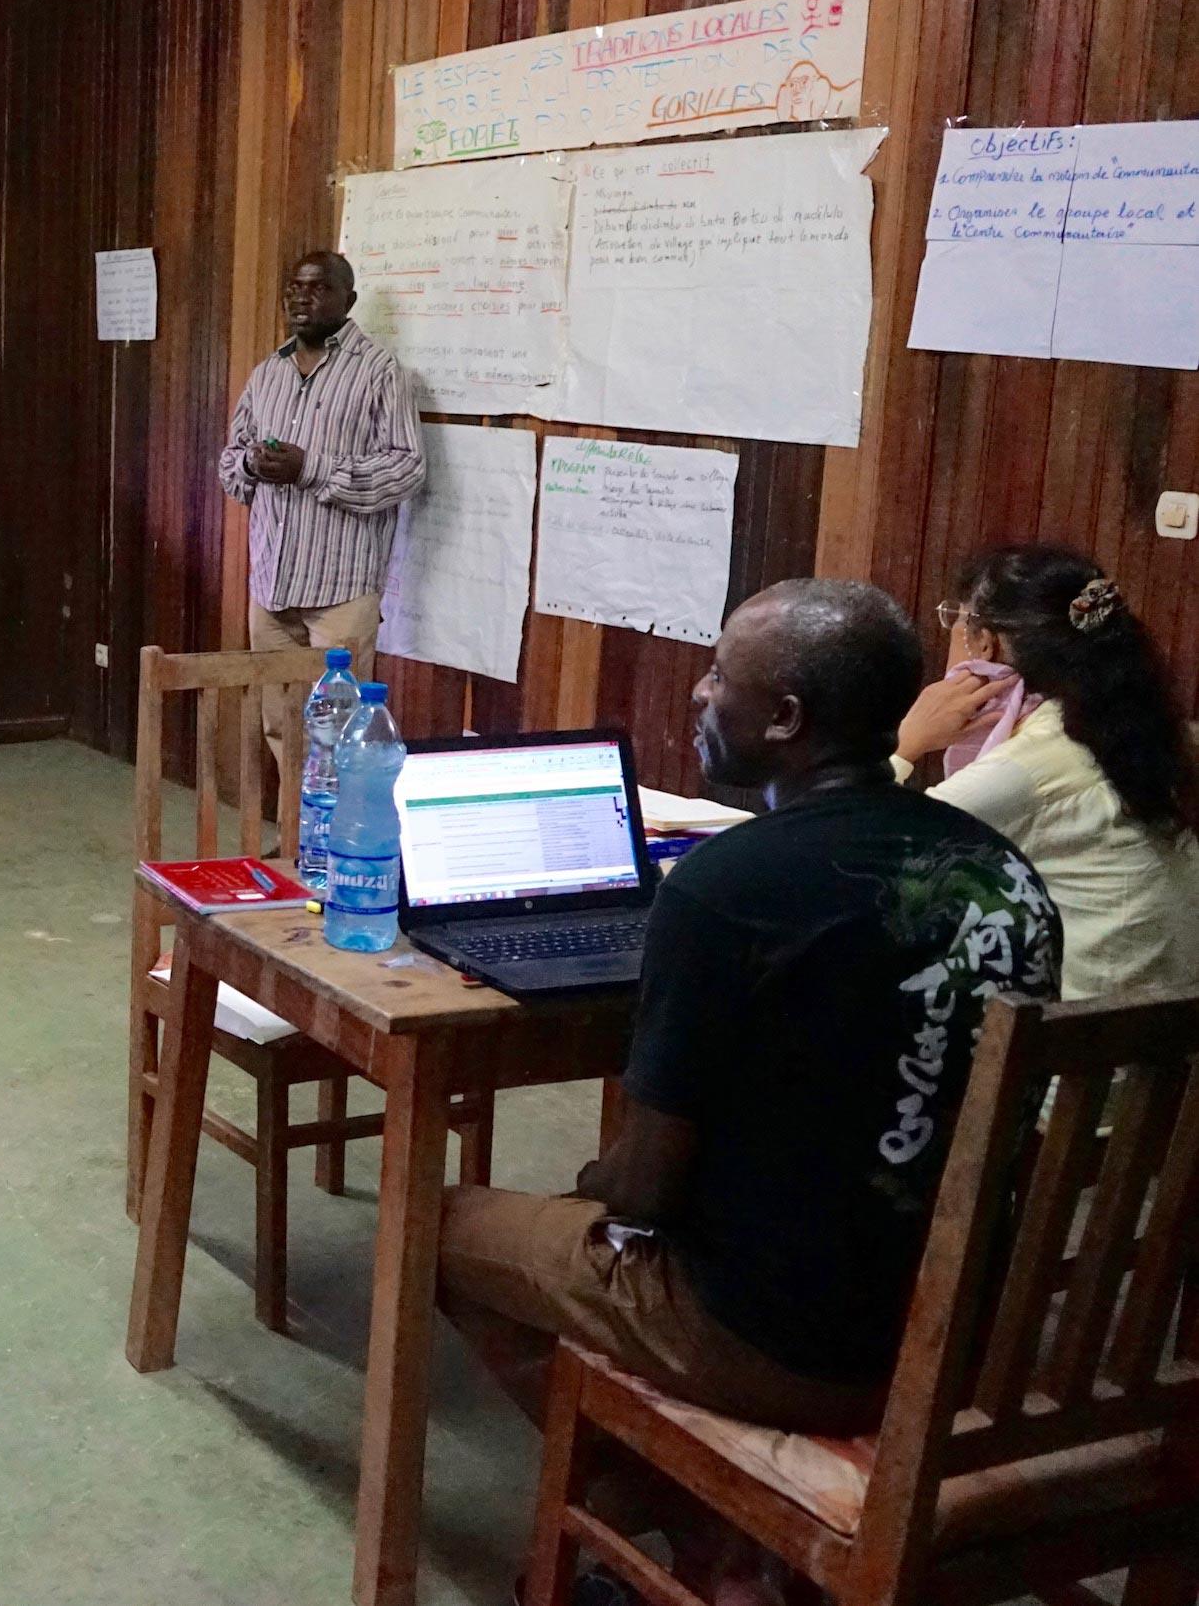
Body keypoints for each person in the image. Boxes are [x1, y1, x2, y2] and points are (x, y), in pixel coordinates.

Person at [436, 581, 1060, 1601]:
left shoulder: (727, 889)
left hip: (785, 1339)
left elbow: (642, 1188)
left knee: (444, 1225)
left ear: (784, 721)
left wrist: (589, 1186)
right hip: (963, 1332)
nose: (698, 690)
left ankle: (681, 1510)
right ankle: (705, 1517)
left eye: (721, 676)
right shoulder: (1003, 873)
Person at [894, 546, 1199, 1000]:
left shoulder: (1030, 766)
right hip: (1164, 1048)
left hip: (1077, 1057)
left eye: (954, 619)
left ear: (984, 643)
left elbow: (871, 851)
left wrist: (905, 744)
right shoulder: (1154, 732)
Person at [215, 250, 423, 770]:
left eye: (316, 287)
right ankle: (296, 841)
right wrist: (253, 465)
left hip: (340, 591)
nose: (300, 297)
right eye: (293, 287)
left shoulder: (379, 372)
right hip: (271, 587)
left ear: (347, 300)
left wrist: (312, 469)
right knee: (280, 725)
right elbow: (229, 463)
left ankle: (336, 845)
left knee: (340, 733)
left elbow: (406, 468)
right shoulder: (268, 373)